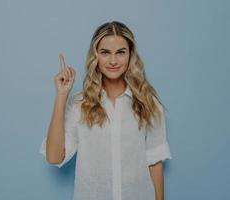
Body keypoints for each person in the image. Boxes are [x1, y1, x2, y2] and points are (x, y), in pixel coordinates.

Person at [39, 21, 172, 200]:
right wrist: (61, 95)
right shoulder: (79, 104)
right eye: (105, 53)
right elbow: (54, 157)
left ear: (130, 55)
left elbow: (155, 162)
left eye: (121, 52)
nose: (113, 61)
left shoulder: (148, 102)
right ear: (96, 56)